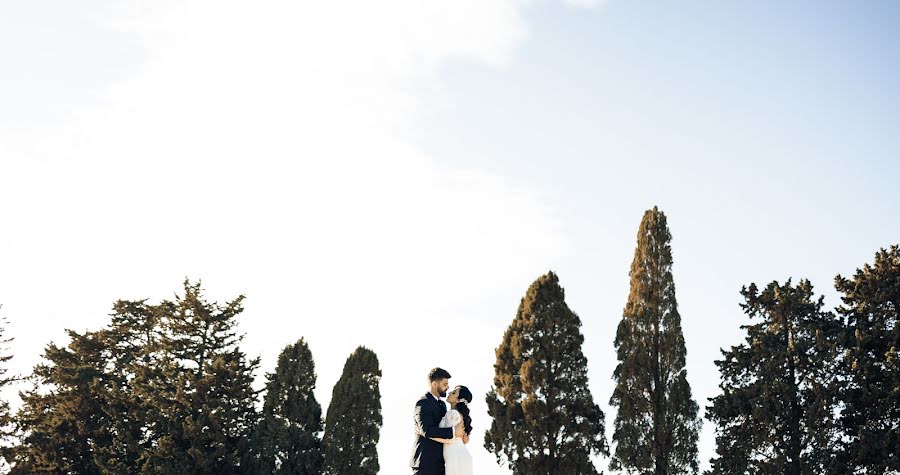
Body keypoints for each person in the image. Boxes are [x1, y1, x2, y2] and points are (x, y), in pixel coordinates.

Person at [411, 368, 469, 475]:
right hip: (425, 462)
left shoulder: (442, 405)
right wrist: (453, 433)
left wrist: (462, 436)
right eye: (445, 384)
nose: (448, 387)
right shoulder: (423, 403)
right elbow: (427, 431)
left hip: (441, 463)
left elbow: (445, 425)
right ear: (434, 384)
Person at [429, 385, 474, 475]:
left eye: (454, 393)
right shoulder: (457, 414)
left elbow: (448, 436)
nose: (449, 392)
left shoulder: (452, 414)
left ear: (459, 400)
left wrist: (427, 434)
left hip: (455, 457)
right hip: (459, 455)